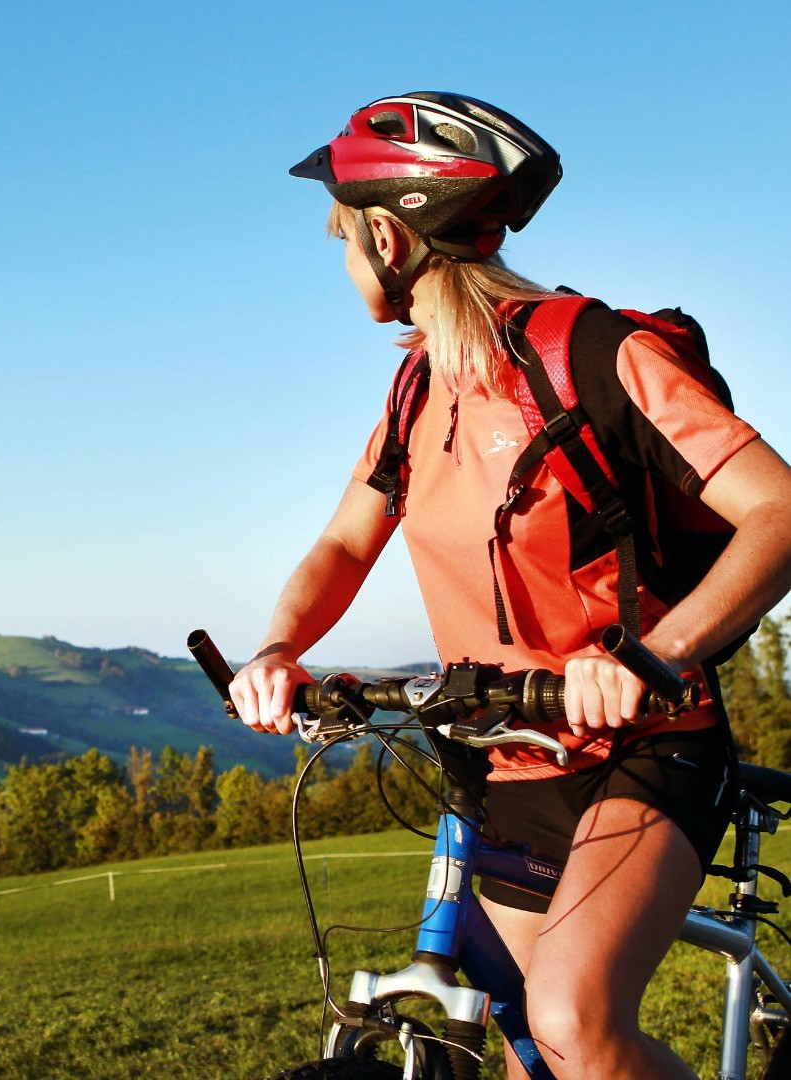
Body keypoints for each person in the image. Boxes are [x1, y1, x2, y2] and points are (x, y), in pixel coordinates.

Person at [230, 92, 791, 1080]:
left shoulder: (595, 355)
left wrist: (653, 655)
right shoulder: (415, 390)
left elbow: (779, 513)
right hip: (503, 765)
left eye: (343, 237)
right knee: (532, 1047)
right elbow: (344, 546)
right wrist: (279, 650)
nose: (343, 260)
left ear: (391, 238)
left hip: (643, 749)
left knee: (576, 1024)